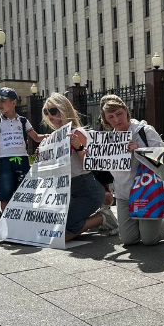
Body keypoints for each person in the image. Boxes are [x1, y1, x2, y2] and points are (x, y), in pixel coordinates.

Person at [99, 94, 164, 245]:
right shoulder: (109, 140)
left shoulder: (144, 131)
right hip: (123, 195)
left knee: (149, 240)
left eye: (119, 114)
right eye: (111, 117)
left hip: (147, 191)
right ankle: (144, 224)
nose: (116, 120)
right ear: (106, 120)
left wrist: (139, 150)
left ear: (126, 111)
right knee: (129, 240)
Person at [42, 92, 117, 240]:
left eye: (53, 110)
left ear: (64, 109)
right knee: (52, 230)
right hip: (67, 191)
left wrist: (78, 147)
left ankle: (103, 217)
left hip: (87, 188)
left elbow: (91, 164)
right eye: (46, 112)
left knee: (60, 236)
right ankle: (95, 220)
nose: (50, 115)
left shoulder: (77, 132)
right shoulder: (53, 138)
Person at [0, 87, 48, 211]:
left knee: (26, 191)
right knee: (5, 194)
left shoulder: (23, 121)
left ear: (14, 102)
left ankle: (25, 221)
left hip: (22, 159)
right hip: (4, 160)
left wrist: (49, 136)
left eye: (3, 100)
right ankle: (6, 223)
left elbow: (35, 137)